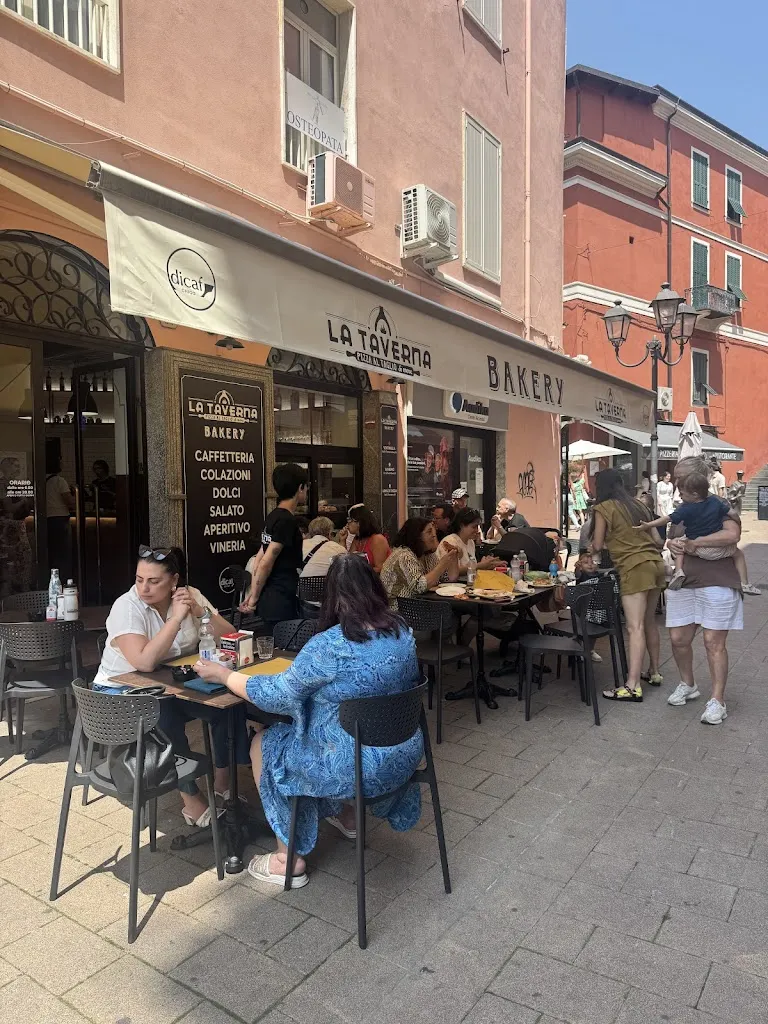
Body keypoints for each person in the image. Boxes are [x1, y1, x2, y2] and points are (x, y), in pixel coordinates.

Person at [194, 554, 424, 887]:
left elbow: (278, 694)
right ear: (374, 587)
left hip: (359, 764)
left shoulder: (330, 646)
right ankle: (348, 816)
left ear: (331, 595)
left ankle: (288, 860)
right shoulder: (401, 631)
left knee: (266, 742)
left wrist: (224, 675)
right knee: (315, 737)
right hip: (404, 753)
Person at [92, 546, 250, 826]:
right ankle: (191, 799)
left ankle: (223, 780)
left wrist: (200, 611)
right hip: (118, 695)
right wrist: (176, 619)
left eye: (154, 581)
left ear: (174, 580)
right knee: (163, 713)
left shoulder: (191, 595)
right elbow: (144, 661)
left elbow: (229, 636)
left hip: (172, 683)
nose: (144, 588)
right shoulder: (127, 606)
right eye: (140, 579)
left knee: (230, 701)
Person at [664, 456, 743, 724]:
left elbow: (732, 535)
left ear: (698, 477)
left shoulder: (719, 504)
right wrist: (673, 545)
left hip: (718, 577)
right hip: (685, 580)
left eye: (680, 476)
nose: (676, 482)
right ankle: (689, 684)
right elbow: (673, 538)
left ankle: (717, 700)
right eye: (675, 477)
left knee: (713, 643)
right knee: (678, 639)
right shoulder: (683, 505)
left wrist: (695, 542)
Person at [590, 469, 665, 701]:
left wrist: (594, 551)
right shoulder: (639, 505)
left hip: (634, 568)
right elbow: (658, 540)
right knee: (648, 621)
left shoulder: (603, 508)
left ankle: (632, 686)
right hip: (655, 564)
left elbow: (598, 544)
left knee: (634, 627)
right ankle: (653, 672)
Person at [636, 471, 734, 591]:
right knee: (738, 554)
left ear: (694, 494)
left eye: (682, 493)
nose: (680, 496)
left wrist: (648, 525)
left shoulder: (686, 508)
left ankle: (678, 571)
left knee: (679, 546)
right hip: (720, 550)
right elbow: (732, 513)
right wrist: (738, 521)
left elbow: (667, 519)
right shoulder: (716, 502)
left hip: (697, 551)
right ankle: (745, 582)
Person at [243, 464, 307, 632]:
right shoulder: (287, 521)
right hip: (281, 596)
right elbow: (266, 561)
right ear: (300, 488)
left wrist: (253, 592)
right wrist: (253, 599)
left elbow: (259, 557)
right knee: (283, 649)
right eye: (306, 487)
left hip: (269, 595)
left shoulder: (273, 516)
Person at [380, 517, 460, 606]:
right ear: (416, 536)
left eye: (433, 531)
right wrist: (442, 564)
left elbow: (449, 579)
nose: (434, 535)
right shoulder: (404, 555)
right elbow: (419, 586)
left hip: (419, 605)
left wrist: (454, 556)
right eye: (429, 532)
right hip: (397, 610)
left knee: (454, 611)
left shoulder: (428, 554)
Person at [437, 508, 505, 572]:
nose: (476, 530)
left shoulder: (471, 542)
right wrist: (480, 566)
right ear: (461, 525)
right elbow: (450, 572)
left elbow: (471, 566)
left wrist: (488, 564)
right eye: (474, 527)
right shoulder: (450, 541)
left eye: (478, 526)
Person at [46, 453, 75, 579]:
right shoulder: (59, 481)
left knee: (51, 551)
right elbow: (69, 501)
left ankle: (51, 577)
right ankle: (62, 578)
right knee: (63, 552)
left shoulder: (41, 480)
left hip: (47, 519)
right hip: (60, 519)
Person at [345, 506, 390, 574]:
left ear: (359, 522)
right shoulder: (357, 539)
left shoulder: (377, 539)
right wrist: (342, 540)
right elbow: (348, 561)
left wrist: (359, 571)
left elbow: (381, 569)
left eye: (350, 520)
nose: (347, 524)